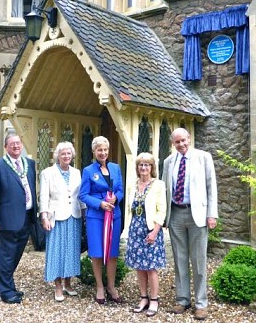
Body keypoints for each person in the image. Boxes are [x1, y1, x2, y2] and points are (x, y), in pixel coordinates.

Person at [162, 127, 218, 321]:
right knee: (179, 259)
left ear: (189, 139)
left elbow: (212, 187)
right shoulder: (168, 162)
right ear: (173, 143)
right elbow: (164, 190)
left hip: (198, 215)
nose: (181, 144)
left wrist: (212, 214)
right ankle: (183, 299)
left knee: (199, 260)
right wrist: (163, 217)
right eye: (177, 142)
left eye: (184, 140)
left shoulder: (203, 157)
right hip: (176, 214)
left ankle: (201, 303)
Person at [0, 133, 37, 304]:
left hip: (26, 218)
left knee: (15, 255)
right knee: (6, 255)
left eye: (18, 143)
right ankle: (6, 291)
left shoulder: (29, 164)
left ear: (22, 145)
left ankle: (7, 284)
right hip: (7, 220)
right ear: (6, 147)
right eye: (12, 143)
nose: (16, 146)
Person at [79, 136, 124, 304]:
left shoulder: (116, 168)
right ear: (94, 151)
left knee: (112, 253)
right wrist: (100, 204)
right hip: (96, 218)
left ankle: (111, 286)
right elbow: (83, 195)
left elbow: (120, 190)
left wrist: (116, 199)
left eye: (105, 149)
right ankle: (99, 287)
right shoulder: (88, 171)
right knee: (97, 253)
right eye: (99, 150)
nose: (103, 153)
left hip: (115, 216)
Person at [39, 141, 85, 302]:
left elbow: (80, 196)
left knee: (71, 250)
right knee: (57, 251)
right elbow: (43, 196)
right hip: (56, 217)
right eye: (63, 153)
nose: (66, 156)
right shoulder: (47, 172)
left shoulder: (77, 172)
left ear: (72, 155)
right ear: (57, 155)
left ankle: (68, 283)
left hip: (74, 216)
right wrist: (44, 217)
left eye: (68, 153)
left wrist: (85, 213)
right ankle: (58, 286)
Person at [125, 152, 167, 317]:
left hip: (151, 229)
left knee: (150, 267)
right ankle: (143, 298)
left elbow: (161, 209)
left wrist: (155, 232)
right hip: (135, 229)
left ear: (152, 167)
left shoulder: (158, 185)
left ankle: (154, 299)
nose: (143, 167)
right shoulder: (133, 185)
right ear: (137, 168)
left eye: (147, 165)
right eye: (141, 165)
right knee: (139, 267)